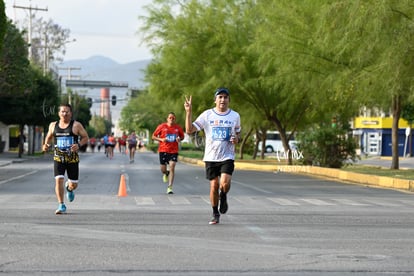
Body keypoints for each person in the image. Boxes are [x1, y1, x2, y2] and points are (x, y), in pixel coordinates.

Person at [184, 88, 241, 225]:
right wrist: (188, 112)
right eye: (220, 97)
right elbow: (189, 130)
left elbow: (238, 133)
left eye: (225, 97)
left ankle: (224, 195)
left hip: (227, 155)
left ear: (229, 100)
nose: (223, 100)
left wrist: (236, 139)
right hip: (211, 157)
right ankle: (215, 213)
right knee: (214, 185)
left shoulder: (235, 116)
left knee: (225, 183)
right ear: (215, 100)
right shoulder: (207, 115)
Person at [42, 103, 89, 215]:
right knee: (58, 180)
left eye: (67, 111)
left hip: (72, 159)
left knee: (74, 184)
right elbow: (48, 137)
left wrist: (78, 145)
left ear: (70, 113)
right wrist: (45, 145)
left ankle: (69, 188)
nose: (64, 113)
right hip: (58, 157)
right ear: (59, 113)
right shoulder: (53, 125)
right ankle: (61, 204)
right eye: (62, 111)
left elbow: (85, 137)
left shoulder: (76, 125)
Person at [152, 112, 185, 194]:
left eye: (173, 118)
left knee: (172, 166)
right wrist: (161, 139)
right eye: (170, 117)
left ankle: (170, 187)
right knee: (163, 169)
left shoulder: (178, 128)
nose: (171, 119)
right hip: (163, 150)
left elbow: (182, 137)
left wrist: (179, 139)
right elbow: (153, 136)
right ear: (167, 119)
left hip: (173, 150)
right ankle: (166, 173)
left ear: (175, 119)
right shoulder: (162, 126)